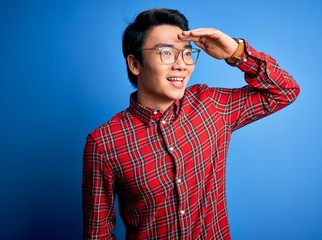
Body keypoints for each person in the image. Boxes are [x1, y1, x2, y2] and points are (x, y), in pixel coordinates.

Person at [82, 8, 300, 240]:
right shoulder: (104, 143)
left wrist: (236, 52)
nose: (181, 65)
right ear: (135, 64)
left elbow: (285, 91)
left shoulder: (211, 106)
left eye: (186, 54)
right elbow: (98, 234)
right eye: (166, 53)